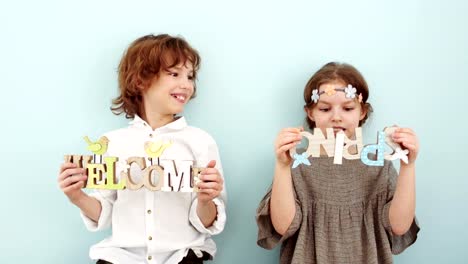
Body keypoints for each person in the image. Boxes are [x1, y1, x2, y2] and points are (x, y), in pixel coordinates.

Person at [58, 34, 226, 264]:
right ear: (140, 81)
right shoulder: (112, 143)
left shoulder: (200, 141)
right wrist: (76, 196)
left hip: (182, 257)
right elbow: (105, 210)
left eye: (190, 76)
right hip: (121, 257)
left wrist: (206, 200)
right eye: (174, 74)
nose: (186, 84)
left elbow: (207, 222)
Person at [256, 62, 419, 264]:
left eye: (348, 108)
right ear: (310, 113)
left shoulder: (379, 166)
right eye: (325, 109)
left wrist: (408, 166)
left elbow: (399, 226)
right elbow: (283, 226)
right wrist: (281, 166)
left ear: (362, 112)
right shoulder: (295, 163)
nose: (336, 117)